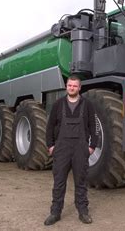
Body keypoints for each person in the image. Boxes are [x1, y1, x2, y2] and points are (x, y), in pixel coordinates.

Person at [44, 75, 97, 226]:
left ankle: (83, 211)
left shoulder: (87, 105)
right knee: (59, 182)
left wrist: (92, 146)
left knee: (80, 181)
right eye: (69, 85)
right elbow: (49, 127)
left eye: (75, 86)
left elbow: (93, 127)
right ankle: (55, 212)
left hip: (81, 149)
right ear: (66, 86)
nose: (72, 88)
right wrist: (50, 145)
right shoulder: (58, 104)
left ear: (80, 88)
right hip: (62, 149)